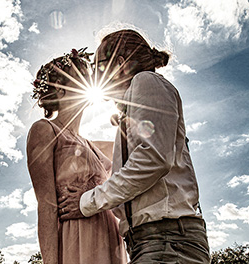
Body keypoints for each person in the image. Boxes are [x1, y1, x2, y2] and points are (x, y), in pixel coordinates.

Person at [58, 29, 211, 263]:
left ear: (120, 63)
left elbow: (154, 159)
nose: (95, 77)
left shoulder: (146, 81)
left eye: (99, 66)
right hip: (154, 241)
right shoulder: (133, 102)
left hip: (168, 241)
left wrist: (87, 202)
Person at [26, 48, 127, 264]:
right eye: (80, 79)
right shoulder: (44, 130)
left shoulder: (95, 145)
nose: (89, 81)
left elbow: (137, 151)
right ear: (61, 91)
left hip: (110, 237)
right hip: (77, 240)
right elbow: (46, 205)